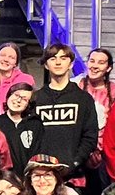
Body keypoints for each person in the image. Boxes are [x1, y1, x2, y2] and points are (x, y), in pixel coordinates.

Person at [28, 43, 98, 183]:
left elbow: (90, 137)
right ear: (46, 65)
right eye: (53, 58)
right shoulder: (35, 99)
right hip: (41, 176)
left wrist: (74, 164)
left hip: (74, 178)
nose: (58, 62)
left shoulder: (83, 99)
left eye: (63, 58)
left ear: (71, 64)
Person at [72, 48, 115, 195]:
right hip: (77, 154)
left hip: (104, 156)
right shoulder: (75, 84)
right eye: (92, 61)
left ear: (109, 68)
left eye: (100, 62)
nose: (94, 66)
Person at [0, 81, 39, 173]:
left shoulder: (35, 124)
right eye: (16, 95)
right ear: (8, 96)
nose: (18, 100)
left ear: (29, 105)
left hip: (29, 177)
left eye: (24, 99)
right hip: (4, 178)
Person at [0, 42, 35, 110]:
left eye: (11, 57)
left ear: (15, 64)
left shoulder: (25, 80)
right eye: (3, 55)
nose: (6, 59)